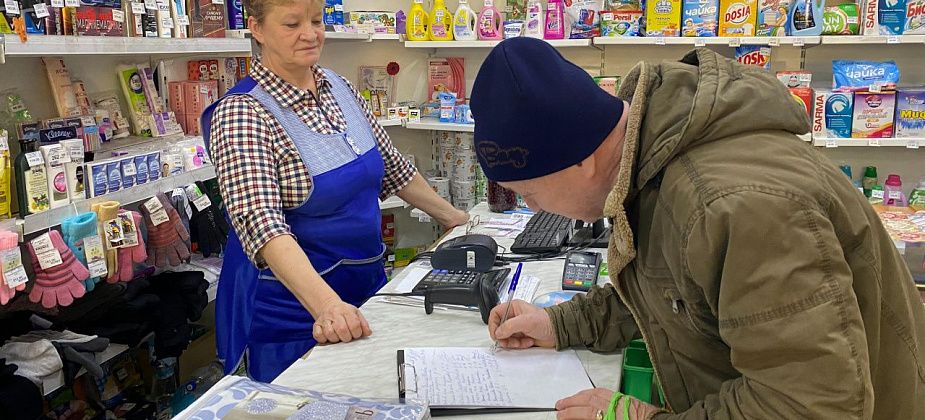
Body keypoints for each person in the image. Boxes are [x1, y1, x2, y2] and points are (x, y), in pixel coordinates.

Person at [471, 37, 925, 419]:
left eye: (528, 192)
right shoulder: (654, 164)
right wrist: (561, 323)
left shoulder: (732, 205)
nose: (531, 209)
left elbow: (810, 403)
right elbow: (675, 292)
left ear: (582, 159)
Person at [200, 0, 468, 382]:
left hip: (366, 290)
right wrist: (327, 305)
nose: (310, 34)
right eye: (292, 23)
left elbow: (392, 168)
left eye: (315, 20)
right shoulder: (243, 114)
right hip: (297, 317)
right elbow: (262, 227)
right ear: (256, 29)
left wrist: (455, 219)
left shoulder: (338, 87)